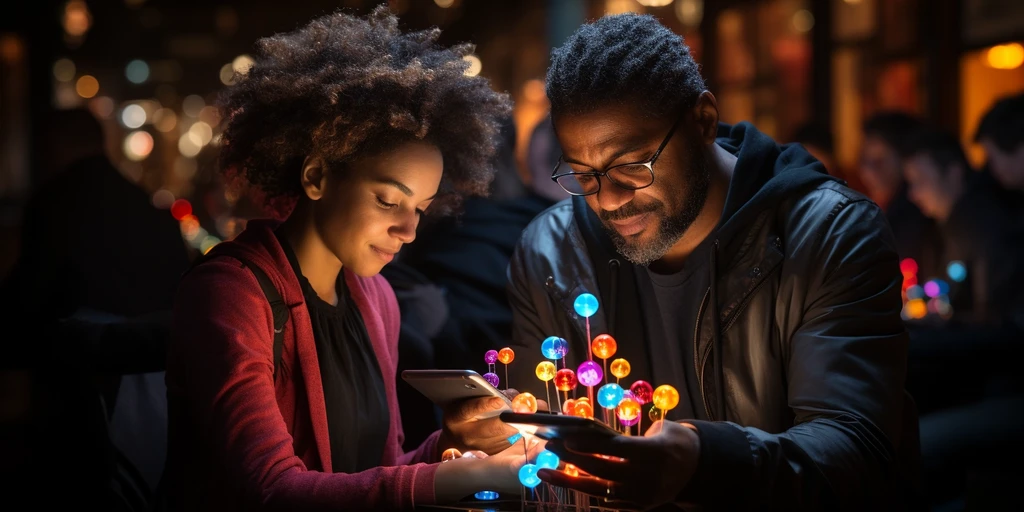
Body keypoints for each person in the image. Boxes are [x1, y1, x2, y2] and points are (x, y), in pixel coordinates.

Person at [506, 13, 919, 510]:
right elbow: (544, 437)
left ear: (702, 120)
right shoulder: (551, 252)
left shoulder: (829, 233)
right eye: (583, 175)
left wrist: (706, 461)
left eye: (632, 165)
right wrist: (499, 431)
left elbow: (856, 449)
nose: (609, 199)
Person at [165, 8, 539, 510]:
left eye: (420, 210)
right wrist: (459, 478)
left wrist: (461, 445)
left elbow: (376, 471)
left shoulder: (377, 298)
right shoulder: (232, 293)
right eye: (388, 200)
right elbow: (272, 490)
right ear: (317, 176)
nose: (407, 231)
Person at [902, 127, 1024, 324]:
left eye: (921, 181)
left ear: (954, 173)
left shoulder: (981, 225)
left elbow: (990, 316)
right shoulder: (948, 227)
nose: (913, 194)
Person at [857, 111, 944, 281]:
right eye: (864, 160)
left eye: (879, 161)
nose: (868, 172)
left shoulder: (915, 213)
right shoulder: (880, 208)